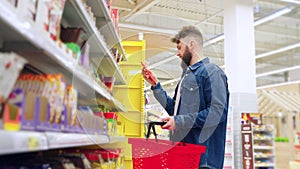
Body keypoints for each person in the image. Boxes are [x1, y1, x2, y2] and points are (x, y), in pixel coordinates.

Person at [142, 25, 229, 169]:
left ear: (192, 45)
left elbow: (217, 113)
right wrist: (156, 86)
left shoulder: (212, 72)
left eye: (179, 48)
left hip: (203, 161)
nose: (177, 53)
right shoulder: (186, 77)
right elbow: (174, 110)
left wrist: (179, 121)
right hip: (184, 157)